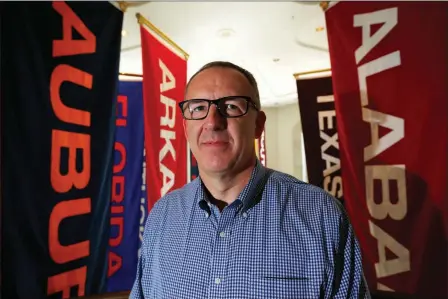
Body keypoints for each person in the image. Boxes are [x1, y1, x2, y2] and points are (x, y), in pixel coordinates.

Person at [129, 61, 371, 299]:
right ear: (185, 128)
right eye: (198, 108)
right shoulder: (162, 215)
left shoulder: (321, 215)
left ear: (258, 125)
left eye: (232, 106)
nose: (212, 122)